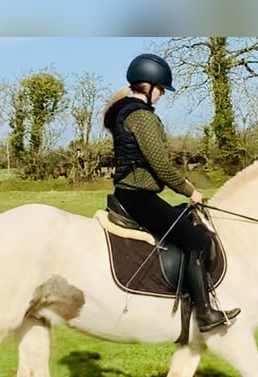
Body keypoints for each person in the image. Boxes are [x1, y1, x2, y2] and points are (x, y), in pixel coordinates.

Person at [103, 53, 240, 332]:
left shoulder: (124, 112)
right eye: (162, 89)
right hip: (139, 196)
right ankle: (205, 314)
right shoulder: (142, 117)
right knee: (197, 239)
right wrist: (190, 191)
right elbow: (161, 166)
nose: (162, 95)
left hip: (131, 193)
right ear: (150, 86)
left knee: (183, 224)